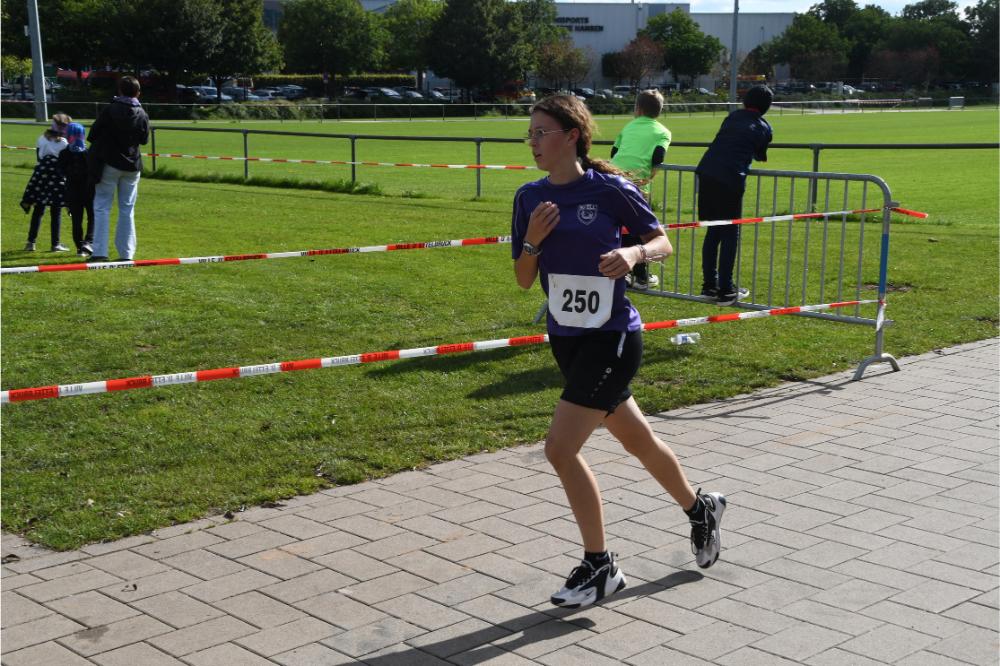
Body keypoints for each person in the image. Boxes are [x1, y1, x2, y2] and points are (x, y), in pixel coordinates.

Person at [511, 94, 726, 609]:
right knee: (637, 440)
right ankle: (700, 507)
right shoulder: (529, 197)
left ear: (572, 136)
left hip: (613, 337)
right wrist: (534, 240)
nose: (533, 142)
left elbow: (662, 241)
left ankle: (599, 565)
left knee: (560, 449)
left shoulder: (610, 190)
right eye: (530, 134)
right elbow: (522, 278)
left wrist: (634, 252)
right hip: (567, 339)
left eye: (541, 132)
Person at [697, 85, 773, 306]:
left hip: (706, 172)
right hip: (730, 178)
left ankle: (709, 285)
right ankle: (726, 289)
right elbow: (760, 155)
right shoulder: (764, 127)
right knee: (730, 232)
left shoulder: (731, 118)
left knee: (713, 230)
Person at [610, 89, 672, 291]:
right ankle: (641, 275)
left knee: (620, 227)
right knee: (643, 229)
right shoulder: (663, 132)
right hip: (637, 184)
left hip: (614, 180)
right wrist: (651, 174)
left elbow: (614, 151)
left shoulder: (628, 126)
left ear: (637, 109)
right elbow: (658, 157)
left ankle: (623, 273)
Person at [87, 75, 150, 262]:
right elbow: (144, 140)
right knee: (127, 209)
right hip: (132, 165)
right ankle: (127, 253)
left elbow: (93, 134)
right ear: (138, 93)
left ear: (120, 91)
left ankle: (99, 252)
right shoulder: (142, 113)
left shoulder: (109, 109)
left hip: (109, 163)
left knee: (102, 207)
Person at [20, 114, 72, 252]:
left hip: (41, 176)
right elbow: (66, 162)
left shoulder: (41, 138)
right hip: (57, 178)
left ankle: (31, 243)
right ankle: (55, 244)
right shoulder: (64, 143)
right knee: (56, 211)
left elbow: (39, 158)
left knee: (38, 210)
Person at [58, 122, 95, 257]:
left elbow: (60, 171)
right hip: (89, 190)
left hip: (72, 191)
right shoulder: (88, 153)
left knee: (76, 220)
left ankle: (80, 247)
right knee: (92, 217)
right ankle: (88, 242)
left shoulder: (64, 153)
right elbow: (93, 171)